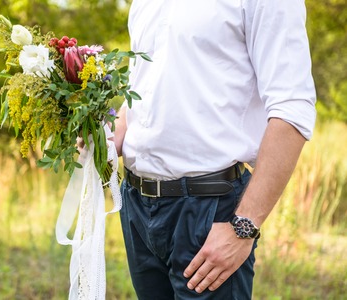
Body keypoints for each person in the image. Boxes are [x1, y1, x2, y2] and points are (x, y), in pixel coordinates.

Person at [112, 0, 317, 299]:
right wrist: (109, 138)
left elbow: (292, 110)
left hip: (209, 211)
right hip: (137, 207)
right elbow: (143, 91)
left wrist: (243, 227)